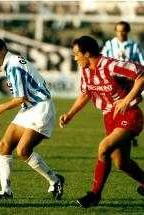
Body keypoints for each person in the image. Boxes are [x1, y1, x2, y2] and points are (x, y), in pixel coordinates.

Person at [59, 35, 144, 208]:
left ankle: (94, 195)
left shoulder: (110, 65)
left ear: (87, 53)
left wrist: (127, 100)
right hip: (109, 118)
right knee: (122, 163)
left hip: (129, 115)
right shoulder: (85, 70)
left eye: (77, 54)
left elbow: (141, 74)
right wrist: (70, 114)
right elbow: (86, 93)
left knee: (103, 148)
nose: (75, 58)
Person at [0, 37, 64, 200]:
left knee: (23, 150)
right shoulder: (11, 62)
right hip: (29, 108)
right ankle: (6, 191)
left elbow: (20, 98)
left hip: (41, 107)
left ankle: (55, 180)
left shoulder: (13, 66)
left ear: (3, 50)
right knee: (4, 145)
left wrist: (1, 107)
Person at [102, 21, 144, 146]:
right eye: (118, 30)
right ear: (115, 31)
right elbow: (102, 59)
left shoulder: (134, 46)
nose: (121, 33)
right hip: (114, 81)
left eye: (123, 31)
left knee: (129, 105)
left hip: (129, 81)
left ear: (127, 31)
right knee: (113, 105)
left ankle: (129, 132)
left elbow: (141, 61)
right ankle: (118, 132)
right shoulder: (109, 44)